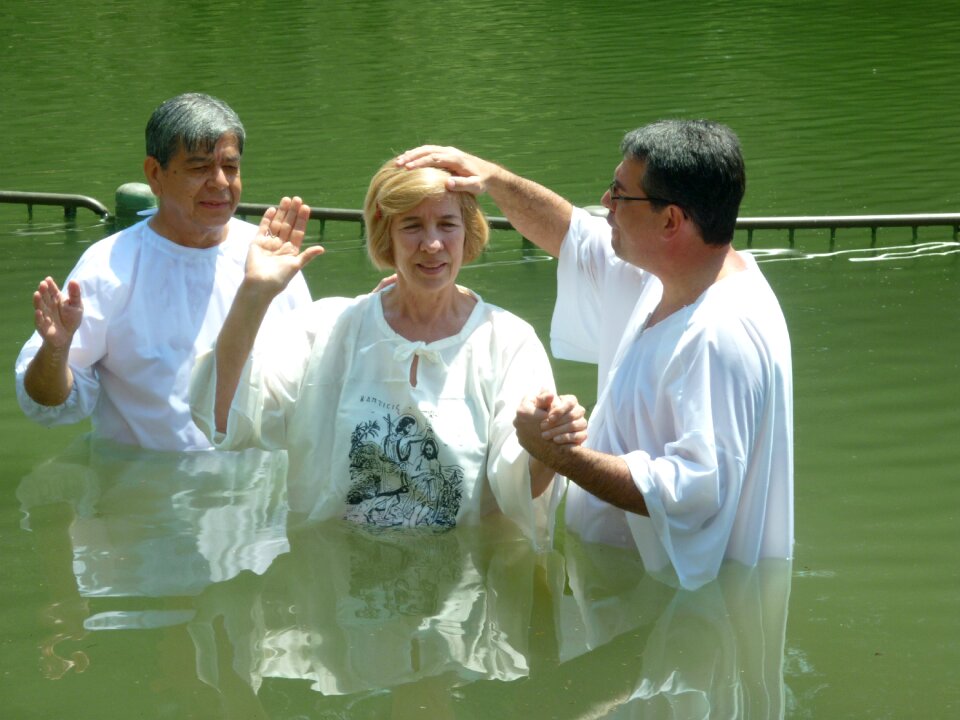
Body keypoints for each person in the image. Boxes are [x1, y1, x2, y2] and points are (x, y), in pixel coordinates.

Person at [396, 120, 793, 589]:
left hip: (683, 610)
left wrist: (560, 456)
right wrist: (491, 178)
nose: (605, 202)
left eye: (620, 195)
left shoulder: (722, 333)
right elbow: (570, 234)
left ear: (670, 221)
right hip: (623, 590)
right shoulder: (663, 273)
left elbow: (696, 491)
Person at [189, 161, 586, 543]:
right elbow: (223, 421)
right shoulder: (327, 328)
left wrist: (549, 447)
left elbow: (517, 491)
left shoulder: (507, 341)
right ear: (386, 235)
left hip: (458, 594)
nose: (432, 244)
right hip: (335, 581)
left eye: (447, 225)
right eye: (412, 226)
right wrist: (254, 295)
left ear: (469, 233)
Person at [14, 93, 312, 451]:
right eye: (199, 168)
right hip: (145, 489)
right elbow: (49, 404)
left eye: (230, 167)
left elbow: (311, 381)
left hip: (256, 492)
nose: (219, 182)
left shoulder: (270, 258)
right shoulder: (110, 267)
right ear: (155, 174)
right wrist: (56, 350)